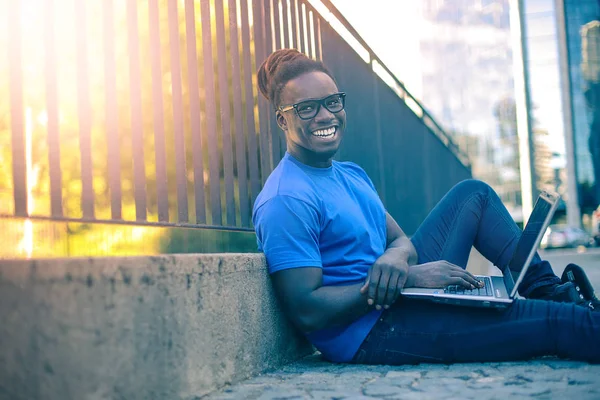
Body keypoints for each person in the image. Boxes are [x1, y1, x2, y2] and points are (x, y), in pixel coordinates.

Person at [252, 48, 600, 365]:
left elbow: (401, 242)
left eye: (332, 102)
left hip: (401, 294)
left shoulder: (349, 175)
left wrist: (395, 259)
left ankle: (552, 292)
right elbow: (308, 311)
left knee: (474, 195)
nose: (325, 115)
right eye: (307, 108)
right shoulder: (286, 199)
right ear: (283, 120)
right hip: (373, 330)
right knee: (556, 324)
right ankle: (564, 313)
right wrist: (407, 280)